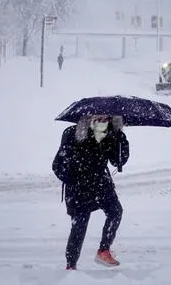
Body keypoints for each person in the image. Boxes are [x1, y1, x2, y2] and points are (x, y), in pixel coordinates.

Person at [52, 114, 129, 270]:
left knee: (115, 212)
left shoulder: (111, 134)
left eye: (106, 116)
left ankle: (104, 250)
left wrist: (121, 140)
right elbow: (58, 164)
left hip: (101, 183)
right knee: (79, 225)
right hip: (79, 187)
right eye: (98, 115)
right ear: (88, 115)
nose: (102, 119)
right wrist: (75, 175)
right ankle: (71, 265)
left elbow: (118, 161)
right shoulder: (72, 133)